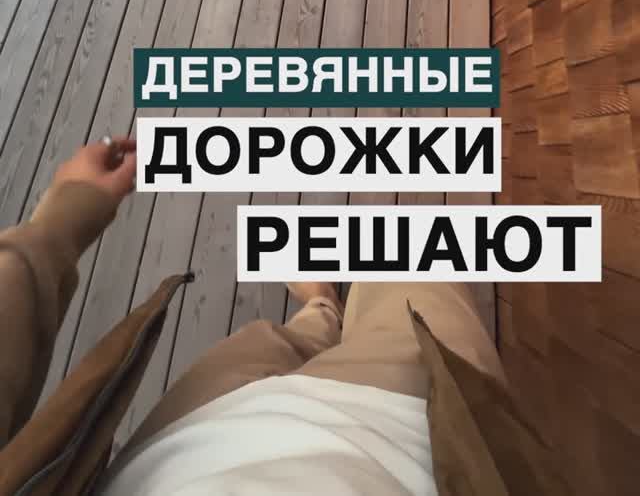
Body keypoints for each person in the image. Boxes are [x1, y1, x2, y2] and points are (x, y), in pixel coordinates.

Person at [0, 141, 564, 496]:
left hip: (189, 436)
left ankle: (321, 306)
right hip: (414, 434)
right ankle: (326, 304)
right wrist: (61, 217)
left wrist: (63, 217)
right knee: (415, 261)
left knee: (278, 339)